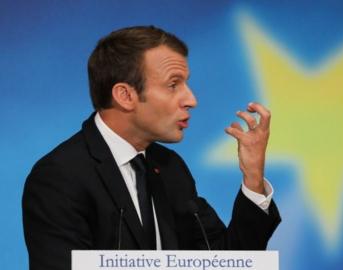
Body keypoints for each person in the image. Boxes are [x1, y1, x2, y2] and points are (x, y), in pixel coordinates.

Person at [22, 26, 281, 270]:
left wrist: (253, 178)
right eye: (173, 85)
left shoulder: (171, 168)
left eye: (186, 84)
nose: (191, 99)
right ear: (125, 95)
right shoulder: (59, 178)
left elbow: (227, 261)